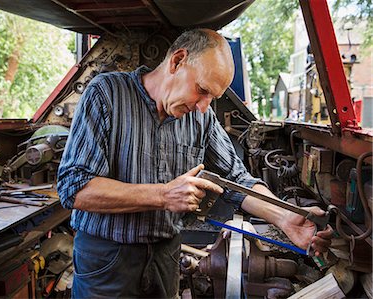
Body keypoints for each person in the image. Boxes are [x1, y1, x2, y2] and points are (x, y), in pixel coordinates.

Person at [57, 28, 333, 298]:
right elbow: (75, 187)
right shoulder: (107, 94)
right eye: (201, 90)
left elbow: (237, 180)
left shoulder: (200, 117)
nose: (203, 106)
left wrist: (285, 217)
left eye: (212, 97)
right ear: (177, 61)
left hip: (165, 256)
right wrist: (163, 195)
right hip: (107, 261)